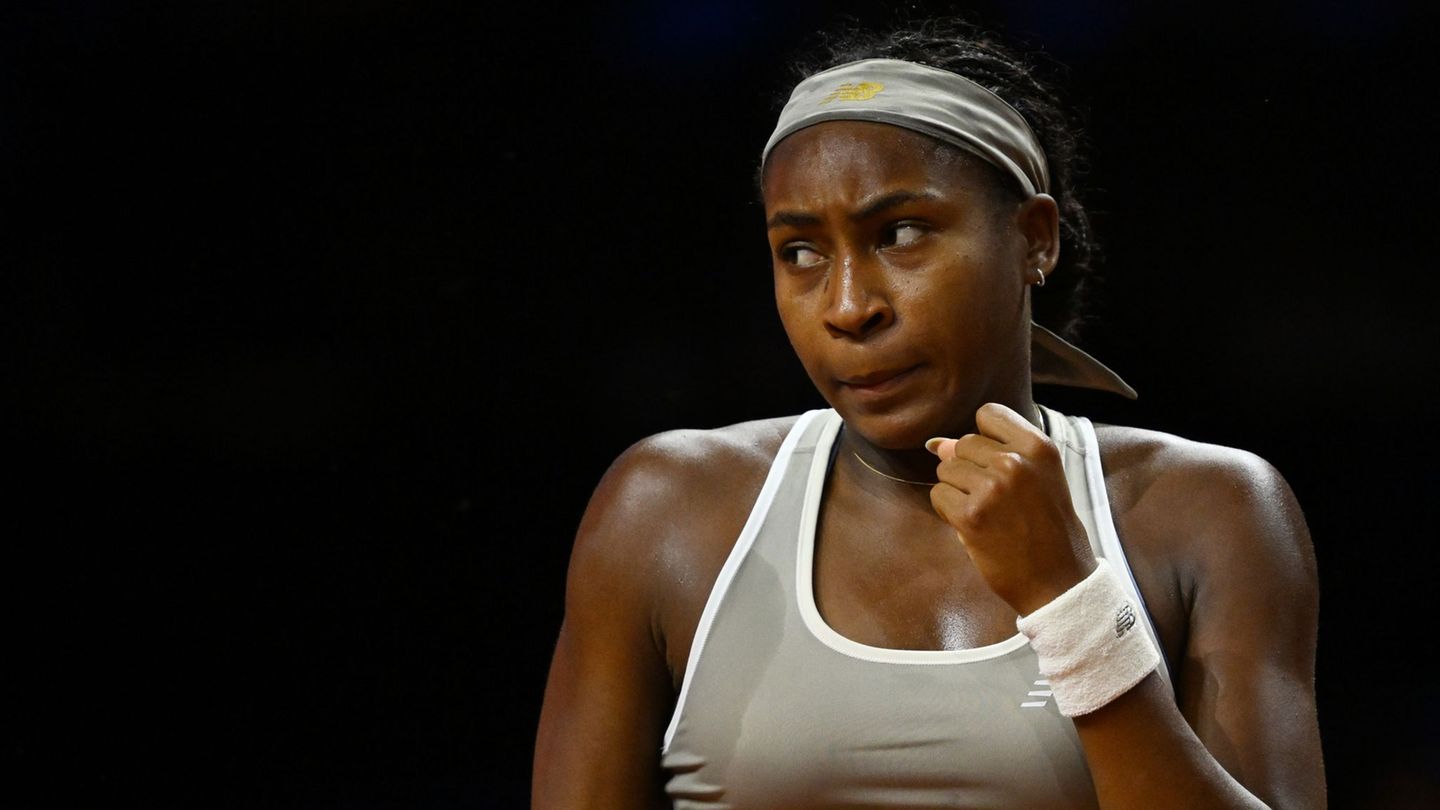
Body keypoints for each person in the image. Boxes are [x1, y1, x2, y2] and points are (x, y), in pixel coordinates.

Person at [533, 19, 1324, 809]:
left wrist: (1069, 601)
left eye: (901, 234)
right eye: (800, 252)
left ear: (1033, 240)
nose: (848, 307)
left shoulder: (1212, 512)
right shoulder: (664, 511)